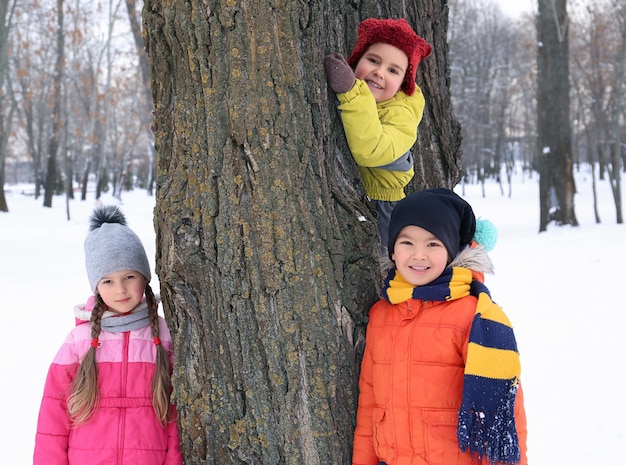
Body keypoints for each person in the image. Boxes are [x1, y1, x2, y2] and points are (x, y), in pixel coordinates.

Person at [352, 188, 528, 465]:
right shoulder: (382, 316)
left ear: (450, 250)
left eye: (433, 244)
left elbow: (503, 417)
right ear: (393, 251)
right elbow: (369, 405)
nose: (418, 255)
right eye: (407, 243)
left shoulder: (475, 317)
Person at [34, 205, 183, 465]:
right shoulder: (78, 341)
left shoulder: (163, 336)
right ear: (96, 286)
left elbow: (175, 415)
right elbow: (53, 418)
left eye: (129, 276)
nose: (121, 290)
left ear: (144, 278)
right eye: (108, 281)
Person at [324, 18, 432, 253]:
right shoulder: (366, 97)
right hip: (356, 198)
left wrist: (351, 92)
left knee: (386, 271)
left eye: (393, 70)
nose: (379, 72)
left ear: (404, 83)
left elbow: (371, 149)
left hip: (385, 207)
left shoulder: (402, 113)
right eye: (373, 60)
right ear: (357, 61)